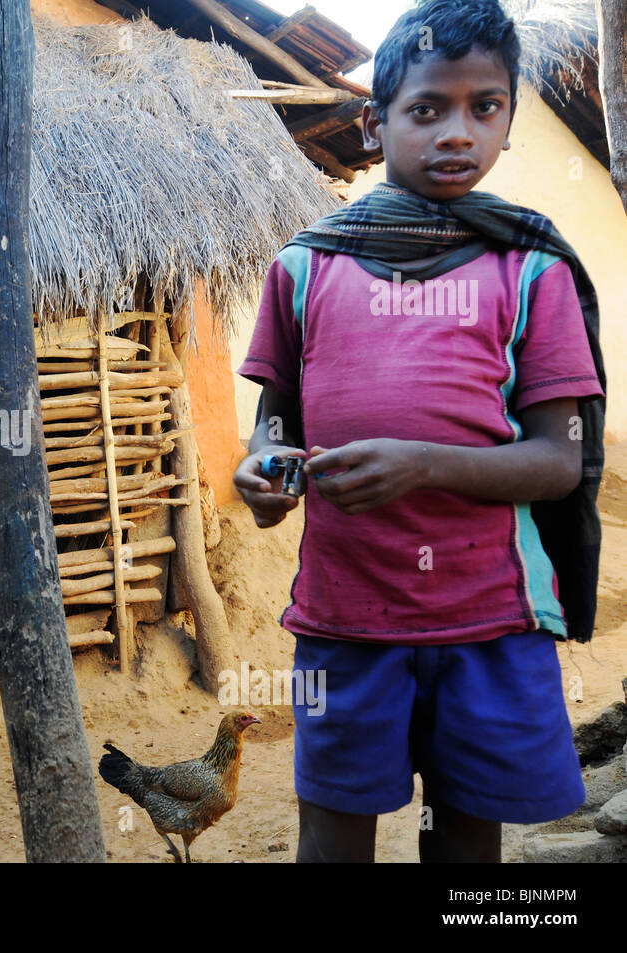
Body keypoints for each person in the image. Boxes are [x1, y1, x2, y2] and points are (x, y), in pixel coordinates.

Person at [234, 0, 607, 862]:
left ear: (510, 121)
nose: (457, 133)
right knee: (331, 833)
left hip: (489, 620)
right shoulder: (305, 267)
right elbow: (273, 430)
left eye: (486, 107)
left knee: (467, 840)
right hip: (345, 618)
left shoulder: (530, 269)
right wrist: (264, 473)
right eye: (428, 109)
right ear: (376, 122)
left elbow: (558, 462)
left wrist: (423, 465)